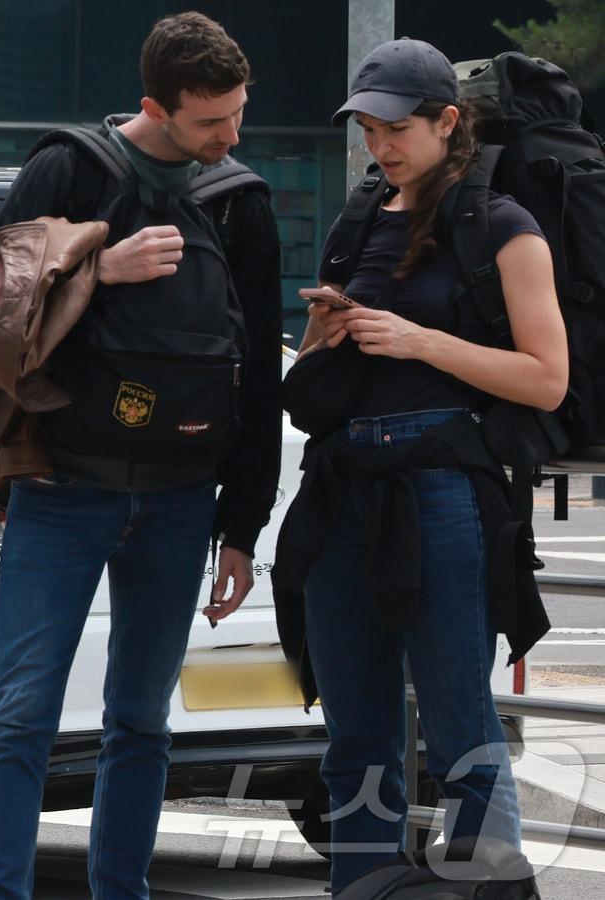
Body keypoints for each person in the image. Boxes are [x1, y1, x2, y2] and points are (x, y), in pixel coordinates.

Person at [0, 12, 283, 899]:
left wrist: (242, 527)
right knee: (20, 716)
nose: (231, 136)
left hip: (182, 497)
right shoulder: (69, 170)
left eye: (238, 114)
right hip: (62, 487)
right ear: (155, 105)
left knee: (142, 722)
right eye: (211, 121)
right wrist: (99, 272)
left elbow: (256, 377)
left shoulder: (241, 202)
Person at [280, 38, 568, 892]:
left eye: (396, 129)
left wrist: (420, 341)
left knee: (460, 733)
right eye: (368, 131)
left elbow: (547, 378)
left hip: (443, 487)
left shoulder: (504, 226)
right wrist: (325, 334)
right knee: (354, 739)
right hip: (342, 487)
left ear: (448, 121)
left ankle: (488, 889)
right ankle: (363, 886)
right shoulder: (358, 220)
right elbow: (313, 377)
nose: (380, 146)